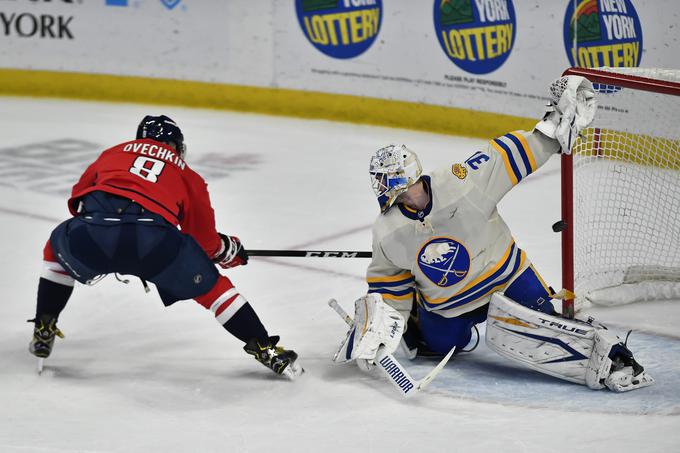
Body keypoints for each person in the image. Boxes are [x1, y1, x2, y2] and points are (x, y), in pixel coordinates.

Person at [335, 76, 653, 392]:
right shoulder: (387, 230)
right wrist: (384, 327)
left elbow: (507, 155)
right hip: (447, 304)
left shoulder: (461, 183)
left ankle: (609, 354)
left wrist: (552, 129)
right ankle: (422, 316)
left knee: (549, 329)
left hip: (506, 276)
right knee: (444, 346)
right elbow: (390, 283)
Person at [28, 115, 303, 379]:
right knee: (214, 290)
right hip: (155, 243)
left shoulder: (113, 153)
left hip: (96, 232)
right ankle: (266, 349)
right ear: (176, 146)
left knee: (56, 252)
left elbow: (77, 199)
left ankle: (44, 325)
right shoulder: (188, 174)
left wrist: (100, 232)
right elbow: (205, 243)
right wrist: (227, 250)